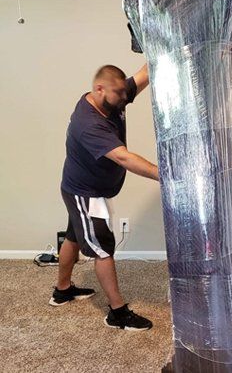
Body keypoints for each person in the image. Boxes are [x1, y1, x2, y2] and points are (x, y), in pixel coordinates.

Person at [52, 64, 158, 331]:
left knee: (75, 236)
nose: (125, 98)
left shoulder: (112, 96)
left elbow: (145, 74)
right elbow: (123, 157)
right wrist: (165, 175)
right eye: (119, 94)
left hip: (84, 186)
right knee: (103, 247)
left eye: (125, 92)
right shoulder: (88, 124)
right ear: (100, 89)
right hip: (84, 193)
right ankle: (118, 313)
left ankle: (62, 290)